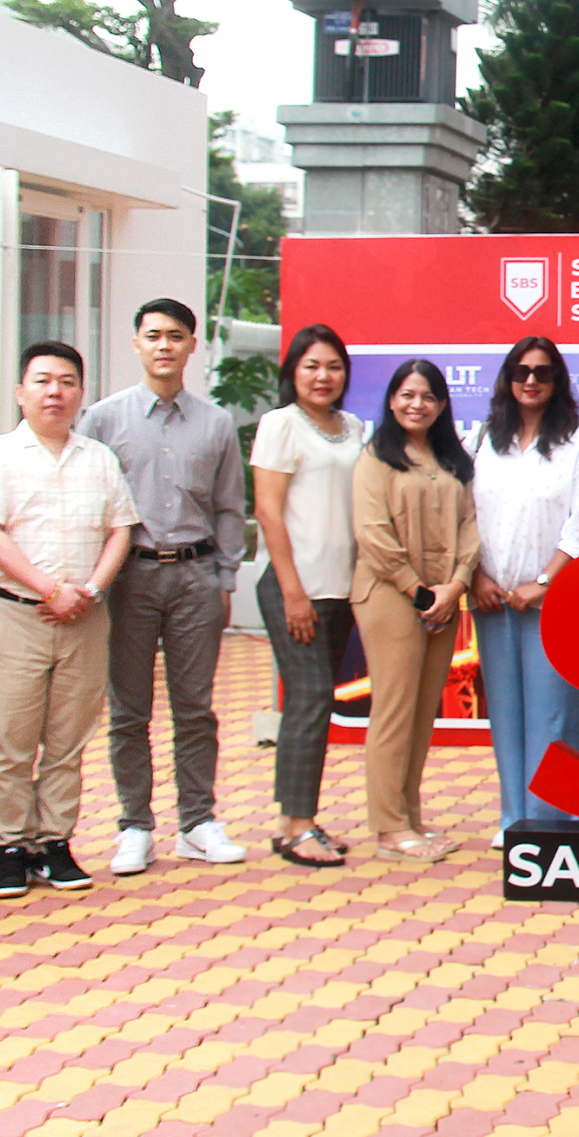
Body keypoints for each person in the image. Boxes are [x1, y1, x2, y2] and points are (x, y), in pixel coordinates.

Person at [77, 298, 250, 875]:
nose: (164, 346)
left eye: (176, 336)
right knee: (129, 708)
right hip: (129, 576)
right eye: (153, 335)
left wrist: (225, 579)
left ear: (192, 346)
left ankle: (197, 822)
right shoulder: (103, 420)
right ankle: (135, 826)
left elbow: (229, 507)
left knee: (195, 708)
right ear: (137, 343)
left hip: (197, 575)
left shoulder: (216, 423)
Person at [0, 341, 139, 900]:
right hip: (18, 614)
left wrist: (90, 590)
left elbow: (120, 530)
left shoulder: (99, 458)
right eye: (42, 381)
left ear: (81, 393)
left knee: (68, 738)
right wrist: (49, 589)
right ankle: (12, 847)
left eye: (66, 382)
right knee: (13, 739)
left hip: (86, 615)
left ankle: (55, 842)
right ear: (21, 392)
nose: (54, 392)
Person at [468, 339, 579, 845]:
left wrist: (544, 581)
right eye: (521, 371)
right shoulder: (483, 440)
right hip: (492, 599)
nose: (531, 381)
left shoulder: (578, 444)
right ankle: (515, 821)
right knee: (505, 714)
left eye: (542, 373)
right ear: (507, 378)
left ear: (557, 382)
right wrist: (476, 576)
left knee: (552, 714)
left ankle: (553, 823)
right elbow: (463, 512)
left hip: (553, 600)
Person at [351, 359, 478, 862]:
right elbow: (373, 534)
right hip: (390, 595)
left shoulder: (452, 458)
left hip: (443, 597)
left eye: (427, 396)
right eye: (407, 394)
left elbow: (471, 525)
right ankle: (389, 828)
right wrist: (419, 592)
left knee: (423, 712)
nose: (416, 404)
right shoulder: (376, 458)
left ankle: (410, 817)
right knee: (395, 709)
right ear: (391, 400)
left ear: (442, 404)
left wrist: (456, 585)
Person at [251, 324, 363, 868]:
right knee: (311, 697)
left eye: (333, 366)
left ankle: (300, 820)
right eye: (312, 365)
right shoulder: (280, 424)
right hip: (296, 588)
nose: (323, 376)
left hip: (341, 589)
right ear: (293, 371)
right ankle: (296, 826)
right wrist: (293, 592)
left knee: (314, 702)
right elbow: (267, 511)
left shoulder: (353, 427)